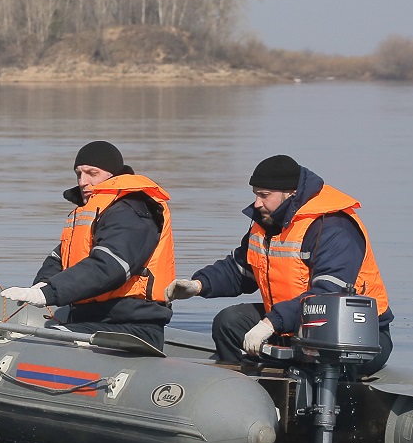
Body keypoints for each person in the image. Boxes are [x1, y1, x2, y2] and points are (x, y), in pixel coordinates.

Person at [166, 155, 393, 374]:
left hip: (355, 335)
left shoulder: (334, 228)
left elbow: (329, 296)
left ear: (290, 193)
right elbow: (241, 270)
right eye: (255, 194)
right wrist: (199, 284)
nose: (257, 203)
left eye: (265, 195)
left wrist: (271, 322)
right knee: (229, 322)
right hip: (291, 326)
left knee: (320, 347)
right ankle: (247, 392)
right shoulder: (267, 222)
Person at [1, 141, 175, 350]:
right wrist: (43, 283)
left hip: (131, 326)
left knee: (40, 345)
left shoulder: (132, 213)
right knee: (34, 339)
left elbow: (110, 267)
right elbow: (61, 257)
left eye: (92, 173)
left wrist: (49, 293)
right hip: (92, 321)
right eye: (79, 174)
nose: (83, 181)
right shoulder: (96, 213)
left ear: (114, 175)